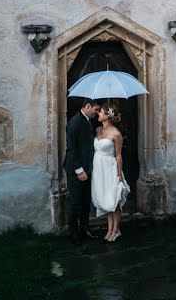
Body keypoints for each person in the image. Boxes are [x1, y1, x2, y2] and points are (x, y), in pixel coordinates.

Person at [91, 100, 130, 243]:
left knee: (114, 199)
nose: (98, 113)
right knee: (106, 200)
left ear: (107, 115)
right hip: (99, 169)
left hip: (110, 168)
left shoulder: (116, 134)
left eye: (100, 111)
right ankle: (109, 229)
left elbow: (118, 155)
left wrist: (119, 174)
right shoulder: (98, 130)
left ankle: (116, 230)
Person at [64, 99, 101, 245]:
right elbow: (71, 149)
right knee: (75, 203)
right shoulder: (74, 122)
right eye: (96, 110)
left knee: (85, 202)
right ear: (87, 106)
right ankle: (73, 234)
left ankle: (85, 229)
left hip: (88, 170)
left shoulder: (88, 121)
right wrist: (79, 171)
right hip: (76, 171)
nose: (97, 113)